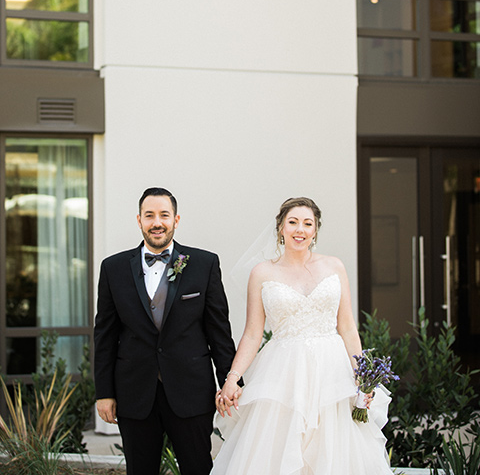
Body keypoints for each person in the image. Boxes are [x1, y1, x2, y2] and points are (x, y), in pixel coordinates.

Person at [211, 196, 392, 475]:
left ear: (315, 229)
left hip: (332, 373)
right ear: (281, 228)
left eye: (308, 223)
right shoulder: (262, 273)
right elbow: (252, 334)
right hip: (283, 374)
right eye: (293, 222)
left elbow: (346, 327)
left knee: (335, 450)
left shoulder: (334, 266)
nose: (300, 229)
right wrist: (232, 379)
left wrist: (362, 376)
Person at [94, 187, 238, 475]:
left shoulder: (204, 264)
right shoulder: (113, 268)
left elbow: (219, 331)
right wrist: (104, 393)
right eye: (149, 215)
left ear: (176, 219)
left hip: (191, 391)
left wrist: (229, 383)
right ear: (139, 220)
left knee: (197, 467)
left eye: (164, 215)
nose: (156, 222)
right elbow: (105, 336)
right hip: (134, 393)